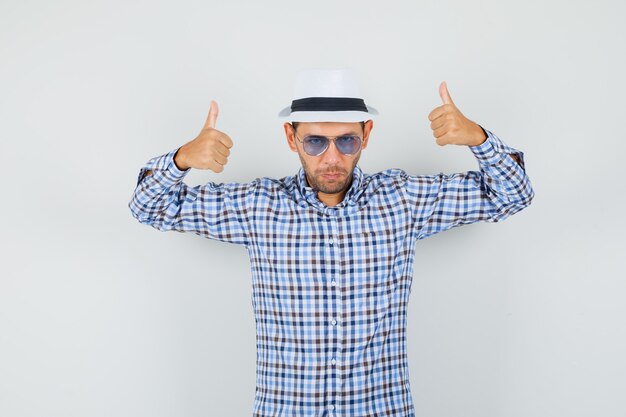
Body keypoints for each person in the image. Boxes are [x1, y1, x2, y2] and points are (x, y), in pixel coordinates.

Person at [128, 69, 534, 417]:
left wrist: (478, 139)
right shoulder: (257, 206)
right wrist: (181, 159)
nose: (332, 157)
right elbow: (148, 207)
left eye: (346, 141)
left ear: (366, 135)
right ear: (292, 138)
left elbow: (513, 194)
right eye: (316, 142)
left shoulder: (402, 199)